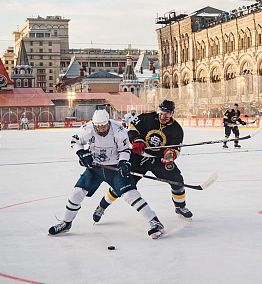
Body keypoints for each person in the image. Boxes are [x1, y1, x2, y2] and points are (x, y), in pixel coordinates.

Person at [48, 109, 165, 238]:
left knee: (129, 194)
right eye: (98, 126)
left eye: (104, 126)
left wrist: (123, 162)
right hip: (95, 168)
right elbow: (74, 141)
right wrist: (81, 153)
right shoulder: (87, 129)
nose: (101, 129)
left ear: (108, 122)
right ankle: (66, 222)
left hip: (114, 168)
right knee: (77, 192)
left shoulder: (119, 130)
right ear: (93, 124)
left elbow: (124, 149)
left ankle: (155, 222)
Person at [92, 100, 193, 223]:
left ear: (172, 113)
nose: (163, 117)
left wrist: (170, 155)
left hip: (158, 160)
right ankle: (101, 207)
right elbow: (132, 128)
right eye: (161, 113)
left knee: (177, 181)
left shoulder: (176, 129)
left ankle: (180, 207)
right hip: (138, 157)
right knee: (121, 185)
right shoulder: (147, 117)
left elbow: (176, 149)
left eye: (167, 114)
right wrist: (136, 140)